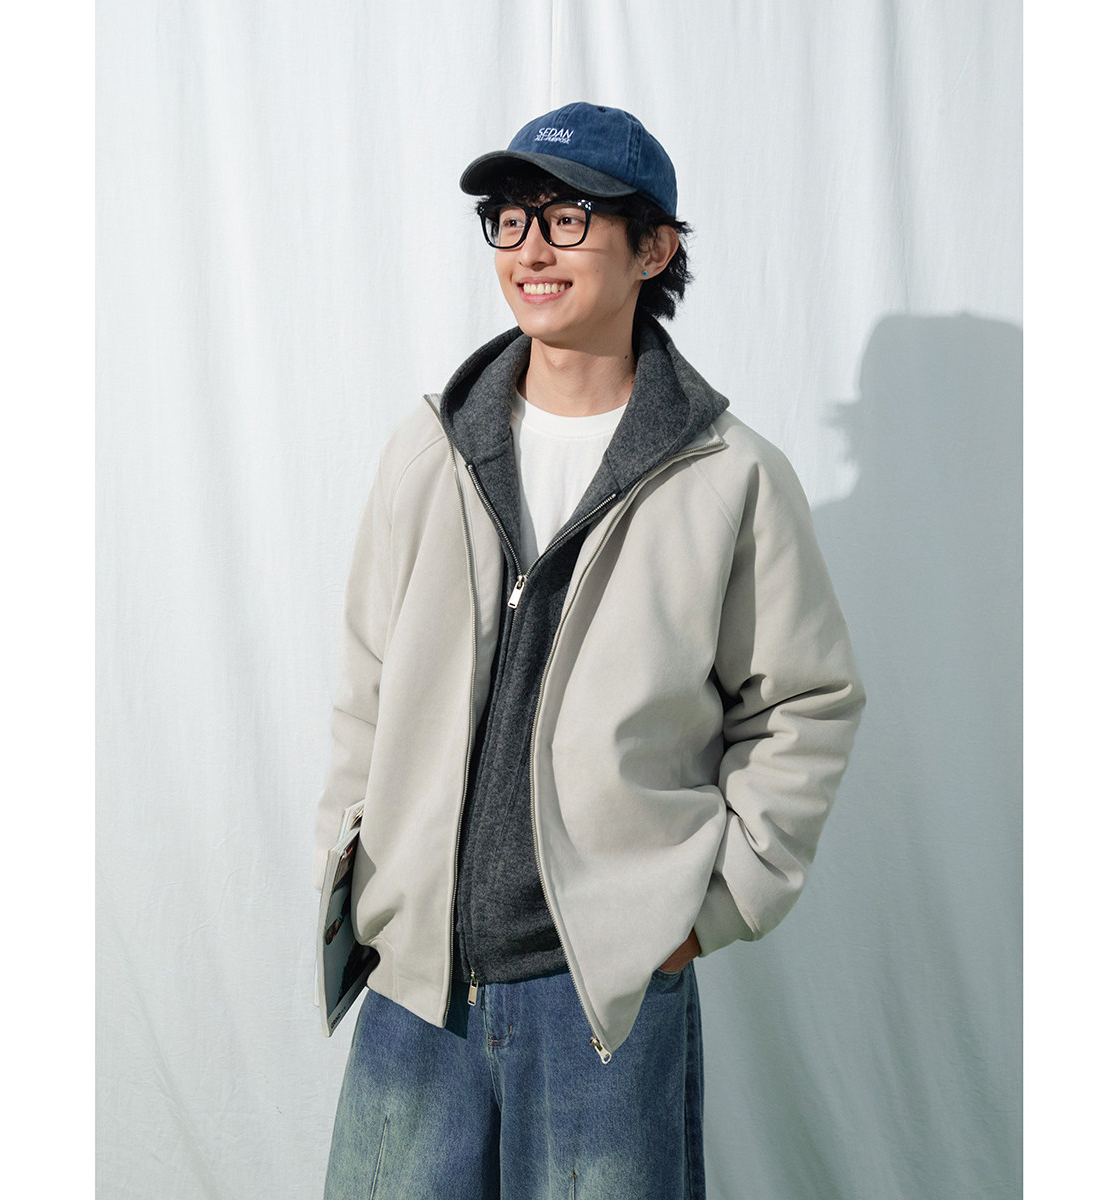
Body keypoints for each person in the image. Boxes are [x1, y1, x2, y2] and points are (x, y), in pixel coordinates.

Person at [314, 101, 864, 1199]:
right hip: (418, 983)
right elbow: (366, 686)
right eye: (510, 219)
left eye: (568, 219)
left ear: (653, 248)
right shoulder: (431, 450)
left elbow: (803, 706)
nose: (531, 249)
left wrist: (703, 913)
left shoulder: (729, 477)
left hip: (604, 995)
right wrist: (362, 864)